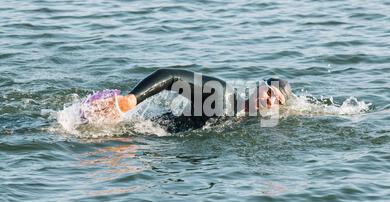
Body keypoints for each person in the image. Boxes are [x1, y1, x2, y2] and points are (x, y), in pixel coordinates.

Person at [83, 68, 293, 133]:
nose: (270, 101)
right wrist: (131, 100)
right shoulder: (222, 95)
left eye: (278, 102)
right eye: (269, 93)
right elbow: (171, 77)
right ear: (258, 87)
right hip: (144, 134)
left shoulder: (251, 124)